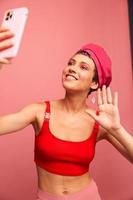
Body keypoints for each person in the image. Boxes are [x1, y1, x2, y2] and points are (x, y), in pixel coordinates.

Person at [0, 26, 133, 200]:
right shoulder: (39, 111)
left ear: (94, 84)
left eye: (83, 67)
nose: (72, 68)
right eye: (71, 63)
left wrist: (117, 129)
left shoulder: (100, 122)